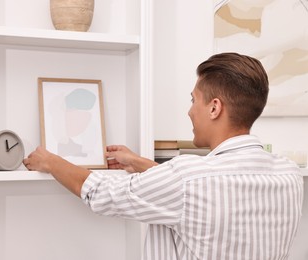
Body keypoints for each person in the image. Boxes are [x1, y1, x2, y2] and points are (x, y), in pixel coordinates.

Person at [23, 52, 304, 260]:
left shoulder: (187, 179)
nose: (189, 110)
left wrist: (50, 161)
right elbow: (203, 186)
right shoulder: (289, 174)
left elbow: (100, 193)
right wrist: (141, 164)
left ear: (214, 108)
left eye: (194, 100)